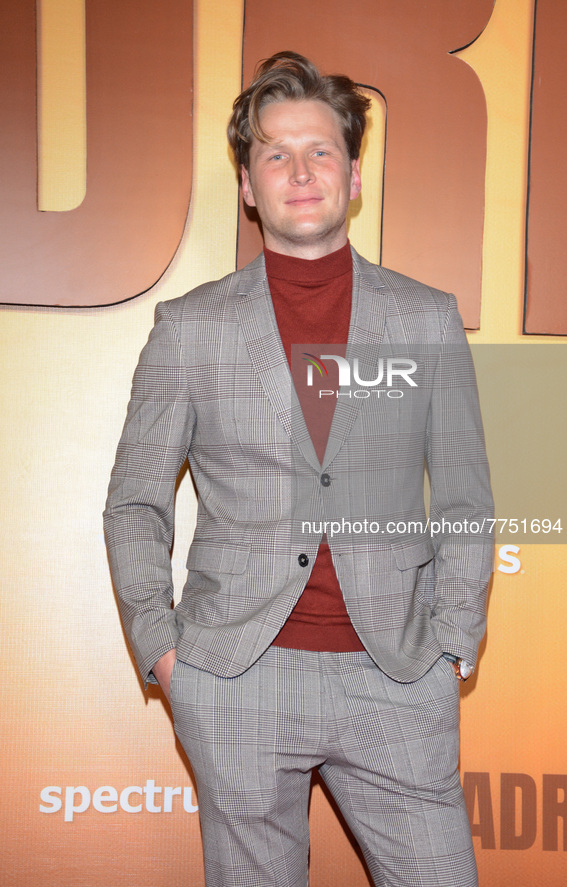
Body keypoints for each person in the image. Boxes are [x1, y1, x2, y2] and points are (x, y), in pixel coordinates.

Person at [104, 51, 494, 887]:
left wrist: (453, 641)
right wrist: (166, 652)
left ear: (353, 175)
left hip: (395, 670)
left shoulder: (425, 320)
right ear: (247, 185)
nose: (298, 170)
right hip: (235, 670)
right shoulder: (190, 328)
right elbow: (135, 502)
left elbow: (465, 495)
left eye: (319, 150)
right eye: (273, 153)